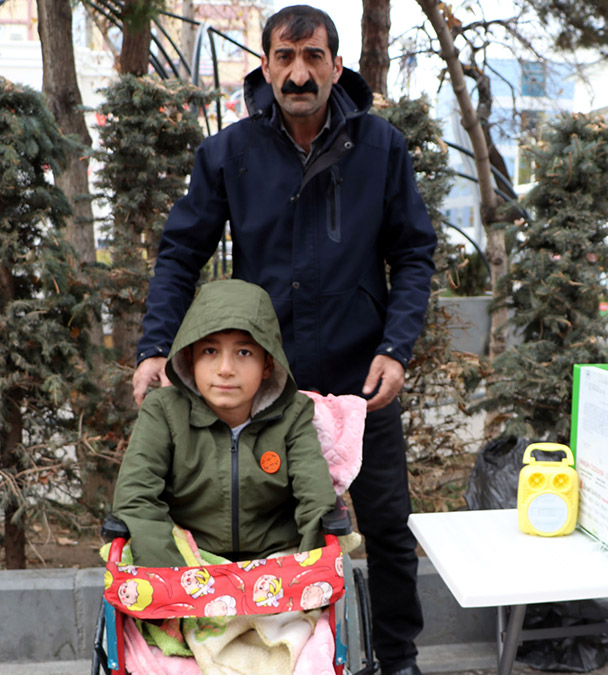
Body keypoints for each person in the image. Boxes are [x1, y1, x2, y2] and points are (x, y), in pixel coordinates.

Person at [130, 6, 436, 674]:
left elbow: (414, 253)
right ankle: (265, 657)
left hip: (363, 381)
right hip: (265, 389)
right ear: (265, 65)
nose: (300, 73)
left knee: (384, 523)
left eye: (314, 57)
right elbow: (180, 256)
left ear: (337, 64)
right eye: (286, 57)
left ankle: (401, 657)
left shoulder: (381, 148)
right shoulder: (228, 154)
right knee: (261, 533)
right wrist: (156, 348)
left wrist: (396, 347)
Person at [114, 279, 336, 567]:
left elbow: (315, 499)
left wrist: (310, 573)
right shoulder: (164, 412)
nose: (225, 370)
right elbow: (136, 497)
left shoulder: (293, 415)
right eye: (210, 351)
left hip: (275, 564)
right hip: (188, 559)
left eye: (244, 353)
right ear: (189, 356)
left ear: (268, 364)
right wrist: (174, 578)